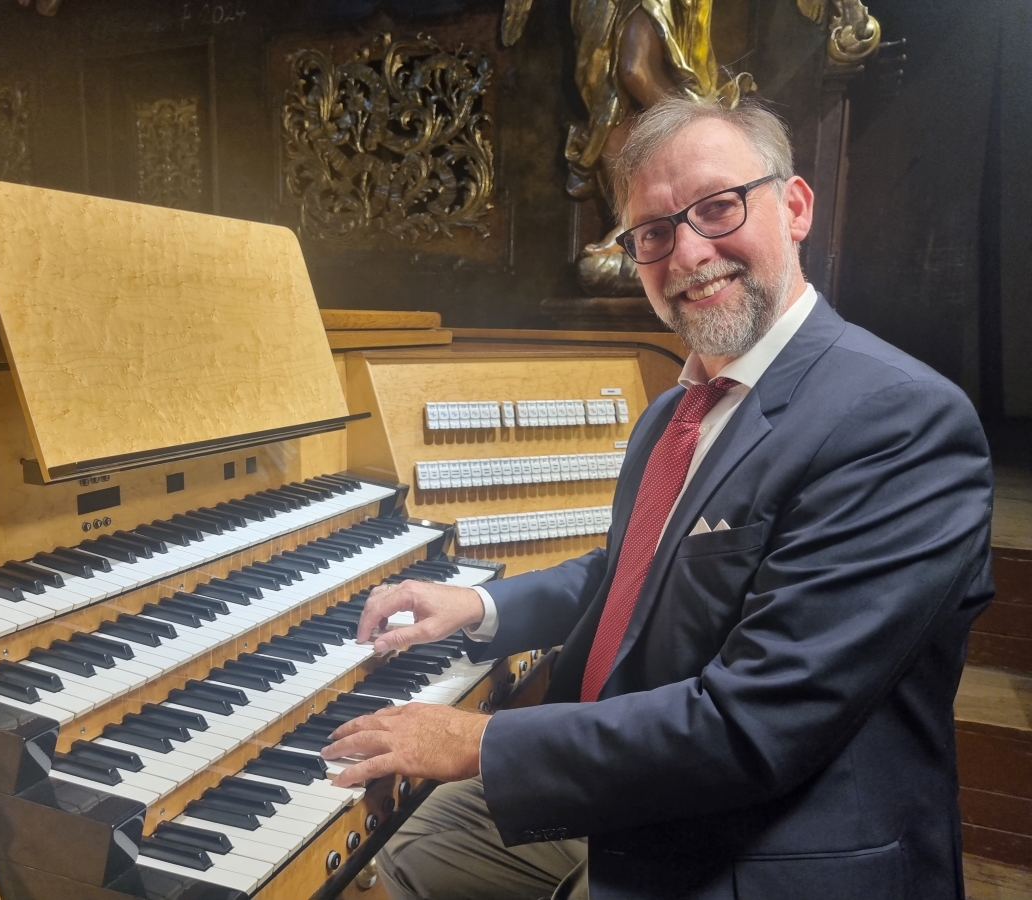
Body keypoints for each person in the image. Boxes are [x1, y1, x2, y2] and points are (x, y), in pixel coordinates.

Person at [321, 97, 994, 900]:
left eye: (718, 207)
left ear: (796, 206)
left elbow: (752, 727)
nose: (689, 252)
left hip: (759, 845)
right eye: (655, 232)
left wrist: (484, 740)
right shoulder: (673, 416)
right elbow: (632, 571)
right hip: (631, 788)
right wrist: (480, 609)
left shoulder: (896, 419)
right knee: (395, 856)